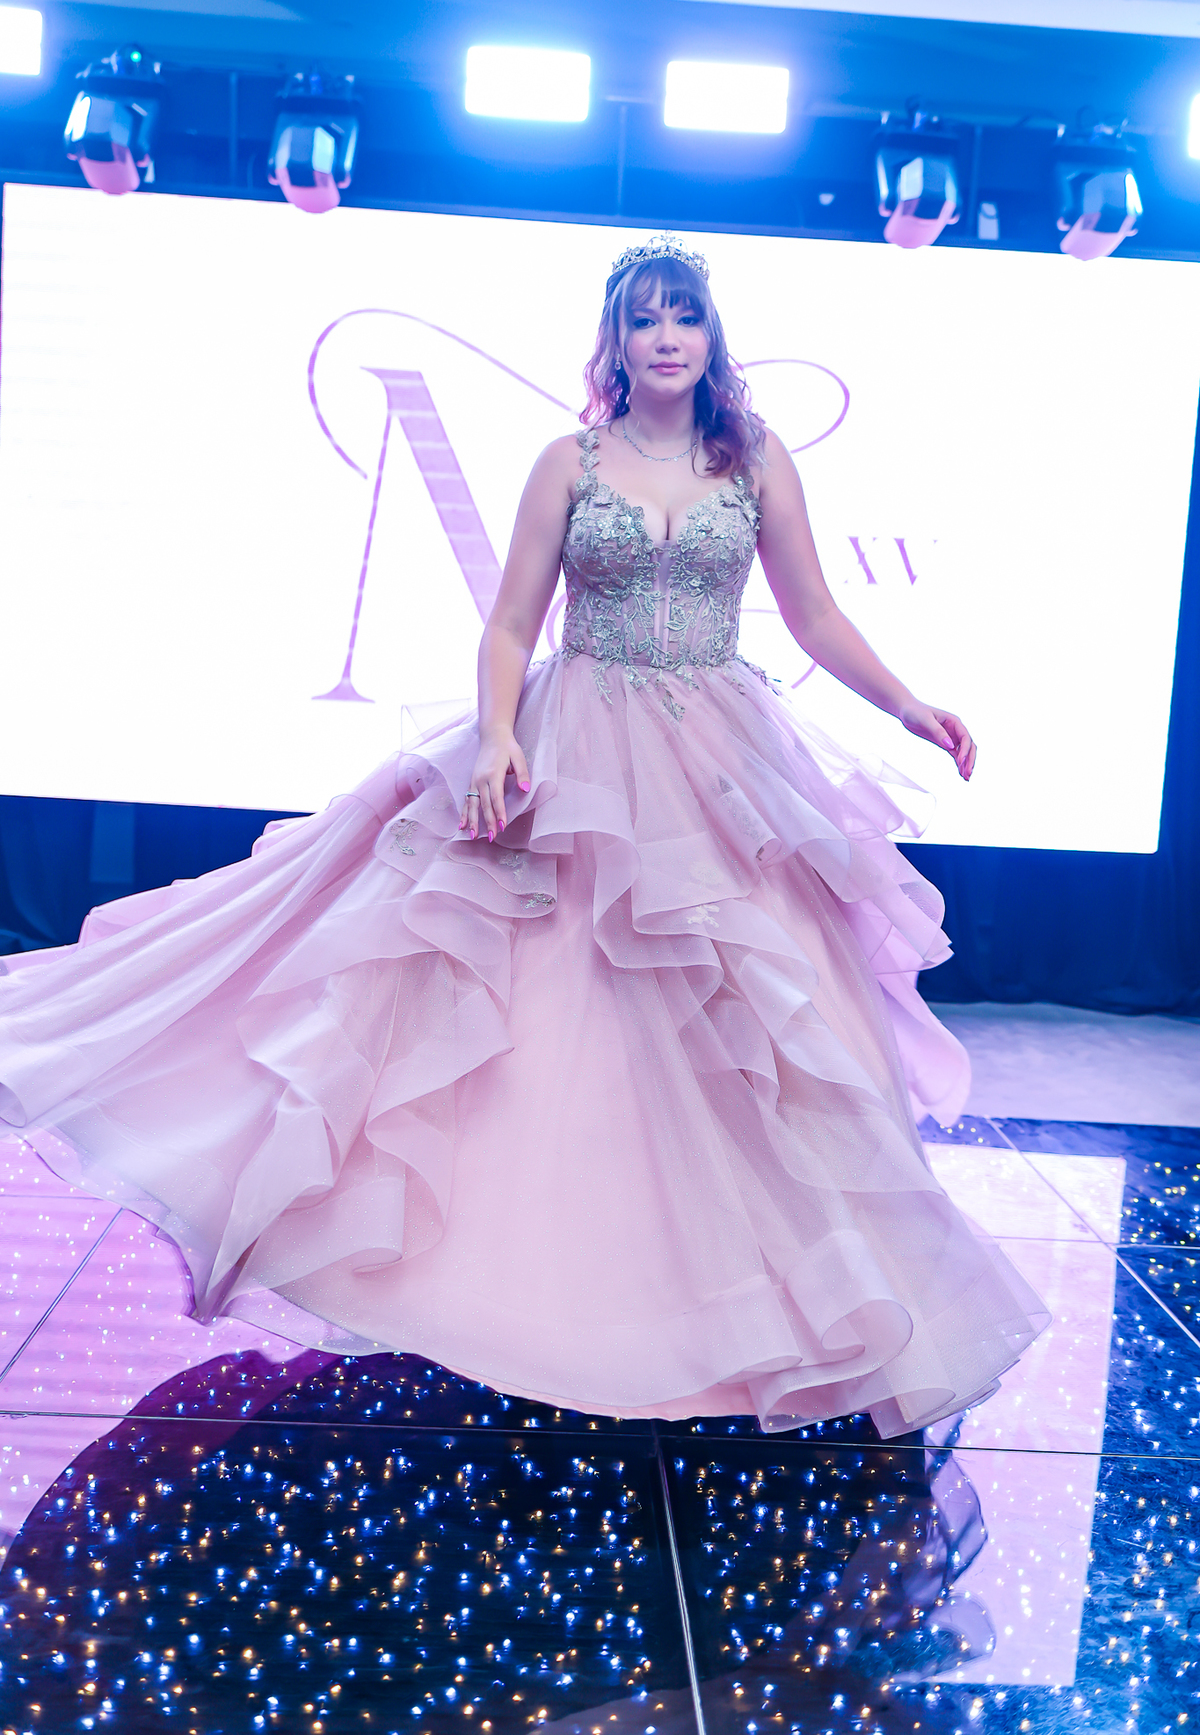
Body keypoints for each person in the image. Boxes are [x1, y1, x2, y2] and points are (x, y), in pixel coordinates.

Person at [0, 233, 1047, 1436]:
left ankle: (719, 1314)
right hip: (578, 741)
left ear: (712, 337)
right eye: (645, 318)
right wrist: (499, 737)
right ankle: (519, 1289)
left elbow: (814, 613)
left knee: (753, 1024)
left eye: (685, 316)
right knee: (547, 1016)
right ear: (616, 341)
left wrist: (909, 704)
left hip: (718, 757)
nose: (666, 336)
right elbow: (509, 624)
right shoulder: (570, 461)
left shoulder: (756, 458)